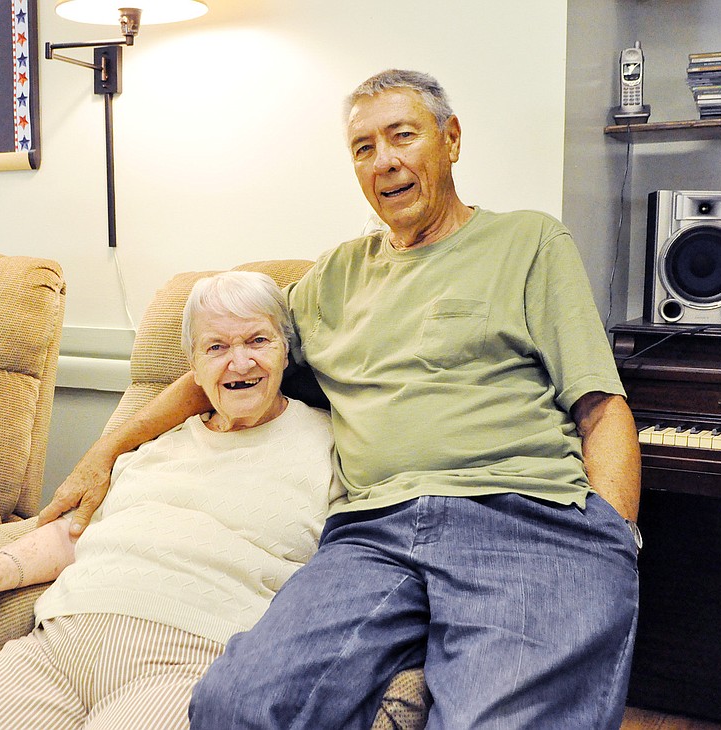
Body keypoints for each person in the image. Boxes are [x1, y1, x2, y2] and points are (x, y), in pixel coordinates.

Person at [40, 69, 642, 729]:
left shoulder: (530, 243)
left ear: (451, 140)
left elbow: (601, 407)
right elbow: (230, 362)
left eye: (402, 136)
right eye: (363, 148)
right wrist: (105, 450)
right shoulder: (335, 277)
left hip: (521, 518)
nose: (384, 161)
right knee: (236, 706)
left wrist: (612, 538)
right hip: (373, 533)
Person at [0, 271, 342, 730]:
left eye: (258, 340)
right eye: (216, 347)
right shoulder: (158, 442)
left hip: (190, 661)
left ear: (285, 349)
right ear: (192, 364)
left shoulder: (328, 444)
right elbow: (78, 529)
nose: (240, 362)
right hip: (57, 646)